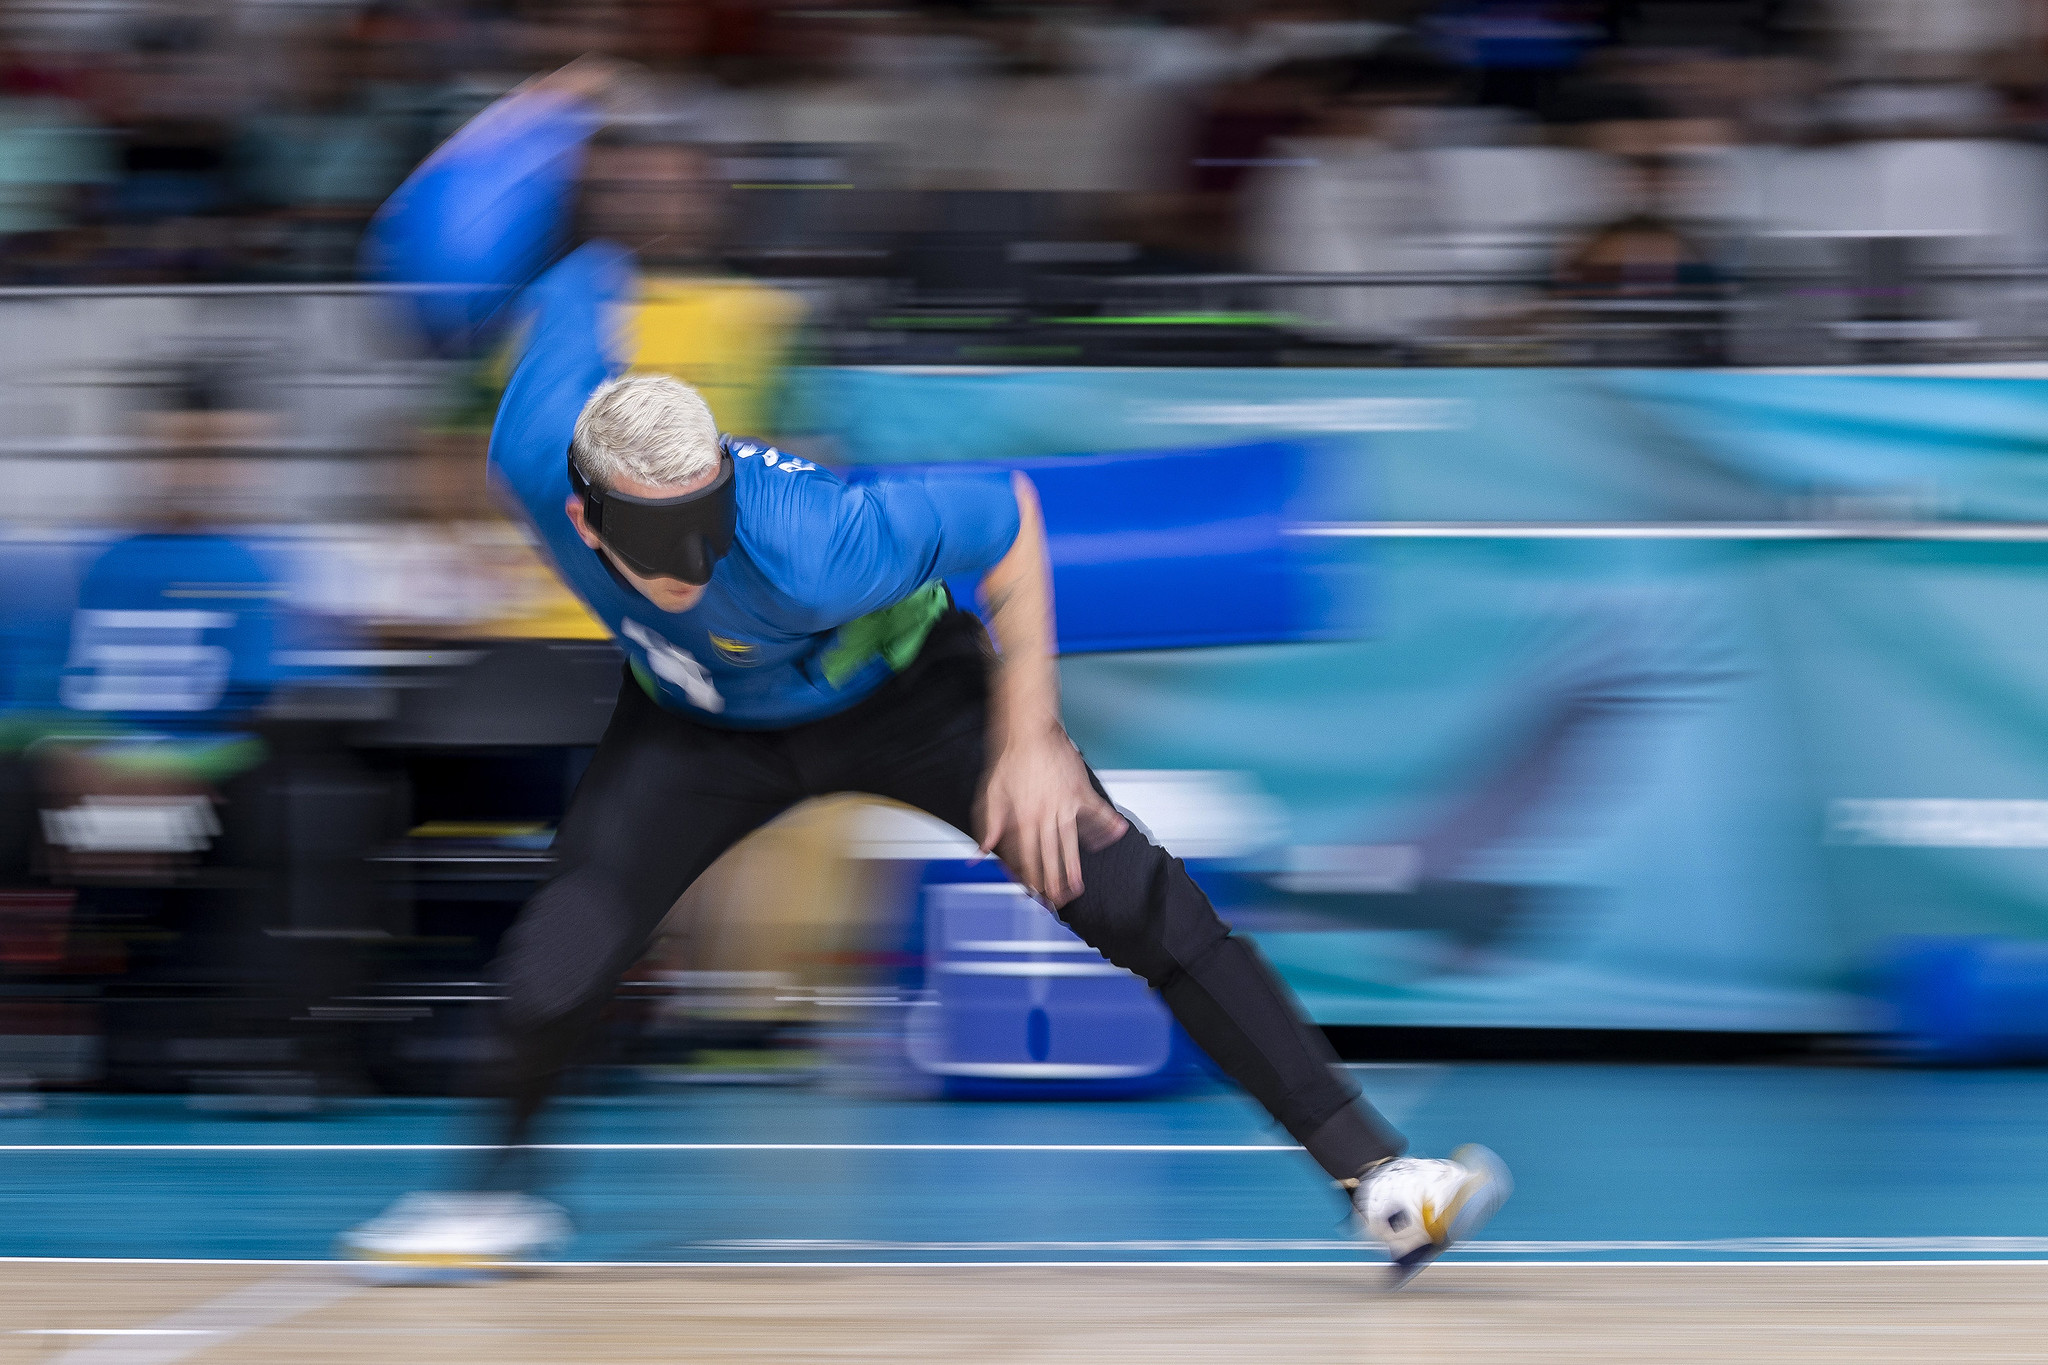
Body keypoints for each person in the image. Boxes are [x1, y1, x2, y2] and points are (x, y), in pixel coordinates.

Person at [341, 61, 1509, 1286]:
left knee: (1130, 898)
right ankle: (489, 1203)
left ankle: (1379, 1180)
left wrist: (1030, 740)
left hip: (904, 697)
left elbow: (1007, 522)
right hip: (694, 724)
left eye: (703, 538)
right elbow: (564, 277)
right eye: (656, 553)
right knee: (557, 958)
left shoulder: (815, 540)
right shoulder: (536, 443)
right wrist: (541, 118)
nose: (688, 572)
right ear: (582, 517)